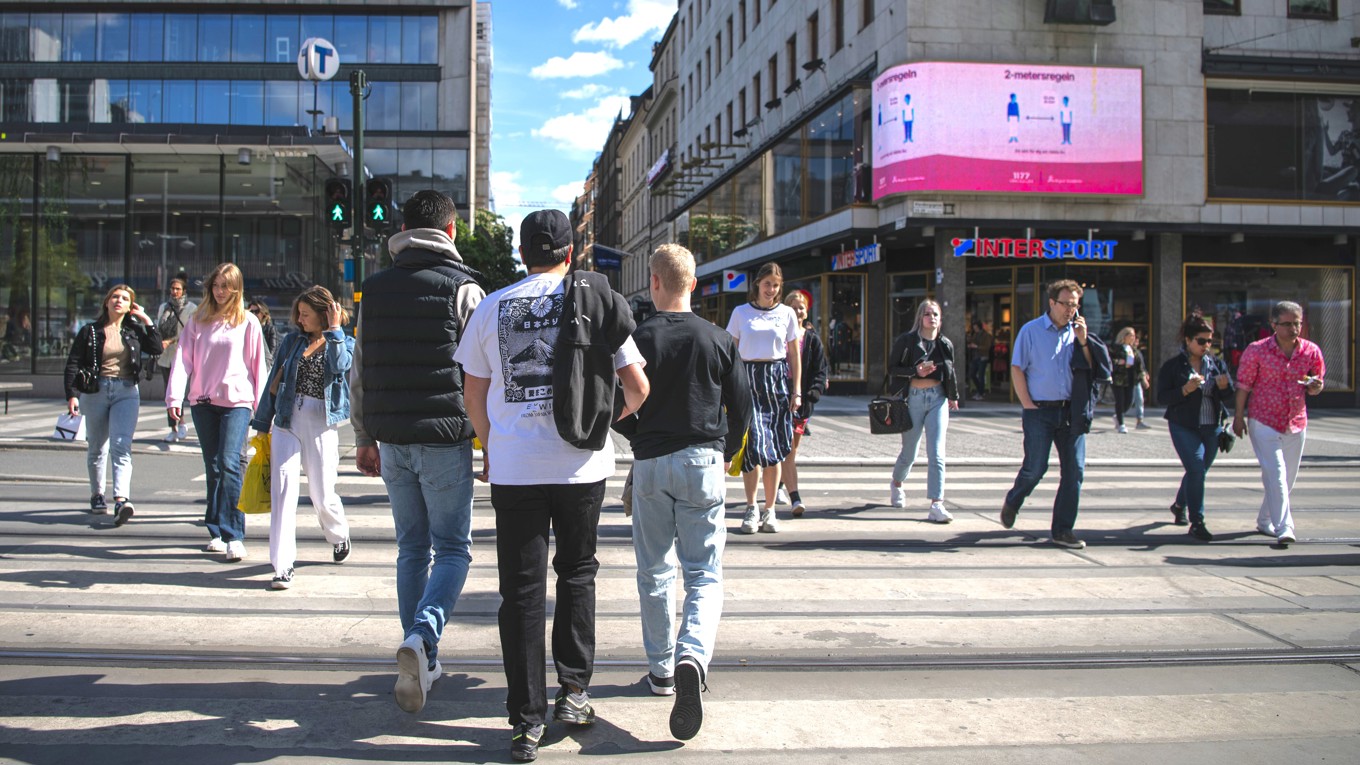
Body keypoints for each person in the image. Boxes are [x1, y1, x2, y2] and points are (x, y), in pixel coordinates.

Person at [455, 209, 648, 762]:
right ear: (570, 253)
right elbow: (638, 388)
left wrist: (492, 445)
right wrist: (598, 424)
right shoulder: (598, 299)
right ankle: (575, 693)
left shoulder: (491, 307)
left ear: (522, 254)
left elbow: (473, 393)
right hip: (581, 467)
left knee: (520, 592)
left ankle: (526, 722)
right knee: (577, 573)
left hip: (515, 467)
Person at [349, 190, 485, 714]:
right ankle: (423, 637)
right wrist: (489, 439)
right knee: (452, 549)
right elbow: (482, 373)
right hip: (445, 440)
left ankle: (420, 657)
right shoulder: (464, 288)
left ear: (403, 230)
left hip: (392, 440)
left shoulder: (374, 289)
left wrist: (363, 435)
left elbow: (360, 368)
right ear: (451, 231)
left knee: (412, 548)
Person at [625, 243, 752, 740]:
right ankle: (692, 656)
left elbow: (615, 402)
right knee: (703, 572)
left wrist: (639, 438)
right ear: (694, 284)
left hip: (652, 463)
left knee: (654, 570)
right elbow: (742, 405)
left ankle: (661, 671)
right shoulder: (718, 339)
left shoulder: (638, 338)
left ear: (654, 282)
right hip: (703, 461)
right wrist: (726, 449)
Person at [251, 286, 354, 590]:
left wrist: (334, 330)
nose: (300, 319)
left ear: (324, 314)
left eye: (306, 314)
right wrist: (262, 422)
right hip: (287, 419)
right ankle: (283, 565)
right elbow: (273, 381)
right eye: (298, 313)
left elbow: (340, 366)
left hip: (321, 421)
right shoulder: (291, 342)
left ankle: (338, 534)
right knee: (283, 491)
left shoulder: (344, 341)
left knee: (322, 494)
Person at [167, 263, 269, 562]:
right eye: (216, 285)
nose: (220, 291)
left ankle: (233, 534)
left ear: (236, 288)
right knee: (212, 467)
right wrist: (174, 397)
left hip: (237, 402)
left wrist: (263, 409)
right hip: (203, 402)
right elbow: (183, 360)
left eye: (226, 286)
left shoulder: (248, 321)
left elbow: (258, 366)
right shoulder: (198, 320)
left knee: (229, 463)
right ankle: (215, 530)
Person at [1001, 279, 1111, 549]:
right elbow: (1017, 368)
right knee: (1035, 468)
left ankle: (1063, 530)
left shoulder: (1079, 333)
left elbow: (1092, 370)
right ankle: (1014, 499)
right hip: (1039, 411)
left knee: (1075, 472)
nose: (1071, 310)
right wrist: (1027, 404)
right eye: (1066, 304)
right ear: (1052, 303)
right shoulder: (1031, 331)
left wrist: (1083, 341)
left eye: (1075, 305)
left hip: (1071, 412)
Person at [63, 284, 162, 525]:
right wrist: (72, 394)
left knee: (121, 445)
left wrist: (147, 320)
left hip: (126, 391)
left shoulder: (134, 330)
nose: (119, 301)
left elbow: (156, 347)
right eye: (115, 297)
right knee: (97, 447)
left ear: (130, 306)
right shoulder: (90, 331)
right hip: (95, 391)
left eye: (125, 299)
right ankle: (97, 495)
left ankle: (121, 500)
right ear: (106, 302)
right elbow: (73, 362)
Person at [1232, 300, 1326, 545]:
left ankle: (1265, 520)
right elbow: (1243, 385)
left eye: (1297, 323)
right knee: (1276, 475)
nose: (1294, 329)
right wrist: (1238, 417)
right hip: (1264, 420)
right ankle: (1284, 527)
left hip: (1296, 421)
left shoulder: (1311, 351)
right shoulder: (1257, 350)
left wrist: (1316, 386)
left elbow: (1316, 384)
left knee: (1286, 479)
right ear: (1273, 325)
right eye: (1287, 324)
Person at [725, 263, 801, 534]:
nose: (771, 289)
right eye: (767, 283)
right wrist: (727, 389)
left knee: (774, 448)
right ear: (757, 284)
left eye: (776, 285)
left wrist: (797, 390)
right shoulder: (740, 313)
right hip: (747, 379)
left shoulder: (787, 313)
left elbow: (794, 354)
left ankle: (770, 509)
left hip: (775, 383)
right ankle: (751, 507)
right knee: (752, 447)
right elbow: (730, 353)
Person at [1158, 316, 1233, 542]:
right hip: (1184, 425)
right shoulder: (1174, 366)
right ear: (1188, 340)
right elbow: (1162, 397)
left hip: (1211, 426)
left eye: (1210, 341)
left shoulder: (1216, 364)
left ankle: (1179, 504)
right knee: (1197, 470)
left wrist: (1225, 388)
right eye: (1201, 341)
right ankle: (1197, 521)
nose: (1206, 346)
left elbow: (1228, 396)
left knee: (1197, 472)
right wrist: (1185, 390)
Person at [887, 300, 961, 523]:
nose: (932, 318)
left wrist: (953, 395)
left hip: (938, 398)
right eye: (928, 314)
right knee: (909, 452)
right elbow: (892, 368)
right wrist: (915, 371)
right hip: (914, 398)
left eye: (935, 314)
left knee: (937, 453)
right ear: (920, 317)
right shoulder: (907, 341)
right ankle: (897, 483)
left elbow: (950, 371)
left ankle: (936, 504)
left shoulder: (945, 343)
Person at [778, 291, 828, 517]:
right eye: (793, 307)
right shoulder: (777, 334)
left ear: (806, 311)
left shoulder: (812, 339)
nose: (797, 311)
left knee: (791, 450)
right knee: (786, 449)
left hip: (801, 402)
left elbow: (820, 370)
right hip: (779, 397)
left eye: (801, 307)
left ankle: (780, 483)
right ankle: (794, 496)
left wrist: (813, 393)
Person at [156, 277, 196, 443]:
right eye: (172, 288)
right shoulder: (163, 307)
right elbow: (159, 328)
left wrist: (171, 341)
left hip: (183, 354)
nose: (174, 292)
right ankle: (173, 427)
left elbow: (191, 333)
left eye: (178, 289)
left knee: (182, 391)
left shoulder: (191, 309)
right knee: (169, 391)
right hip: (166, 356)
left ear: (184, 291)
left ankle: (183, 422)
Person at [1110, 327, 1147, 434]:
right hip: (1118, 379)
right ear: (1124, 336)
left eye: (1134, 335)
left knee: (1129, 401)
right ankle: (1121, 424)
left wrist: (1143, 378)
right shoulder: (1116, 348)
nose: (1133, 337)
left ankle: (1118, 415)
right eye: (1131, 335)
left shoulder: (1133, 350)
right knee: (1120, 400)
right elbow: (1109, 361)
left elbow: (1139, 365)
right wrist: (1119, 362)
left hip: (1131, 379)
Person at [966, 320, 993, 400]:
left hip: (983, 357)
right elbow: (973, 342)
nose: (975, 329)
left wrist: (976, 346)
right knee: (972, 374)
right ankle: (980, 390)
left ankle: (981, 392)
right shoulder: (975, 334)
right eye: (974, 328)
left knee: (981, 375)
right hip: (976, 357)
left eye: (976, 328)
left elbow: (987, 347)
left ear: (979, 327)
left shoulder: (985, 335)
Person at [248, 300, 280, 365]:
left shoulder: (270, 329)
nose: (253, 314)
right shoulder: (246, 328)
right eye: (251, 312)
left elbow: (272, 351)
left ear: (263, 313)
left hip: (264, 364)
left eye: (257, 311)